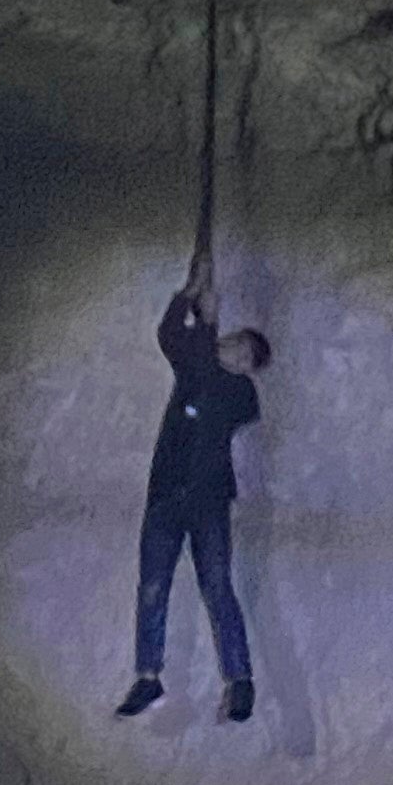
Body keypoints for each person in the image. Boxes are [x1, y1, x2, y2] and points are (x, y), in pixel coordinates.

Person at [118, 247, 269, 724]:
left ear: (248, 368)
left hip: (207, 503)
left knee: (218, 587)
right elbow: (169, 335)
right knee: (152, 587)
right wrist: (190, 294)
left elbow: (212, 378)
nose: (234, 350)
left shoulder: (240, 394)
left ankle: (240, 681)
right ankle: (148, 677)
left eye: (245, 353)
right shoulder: (193, 366)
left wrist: (205, 316)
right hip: (165, 497)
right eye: (235, 341)